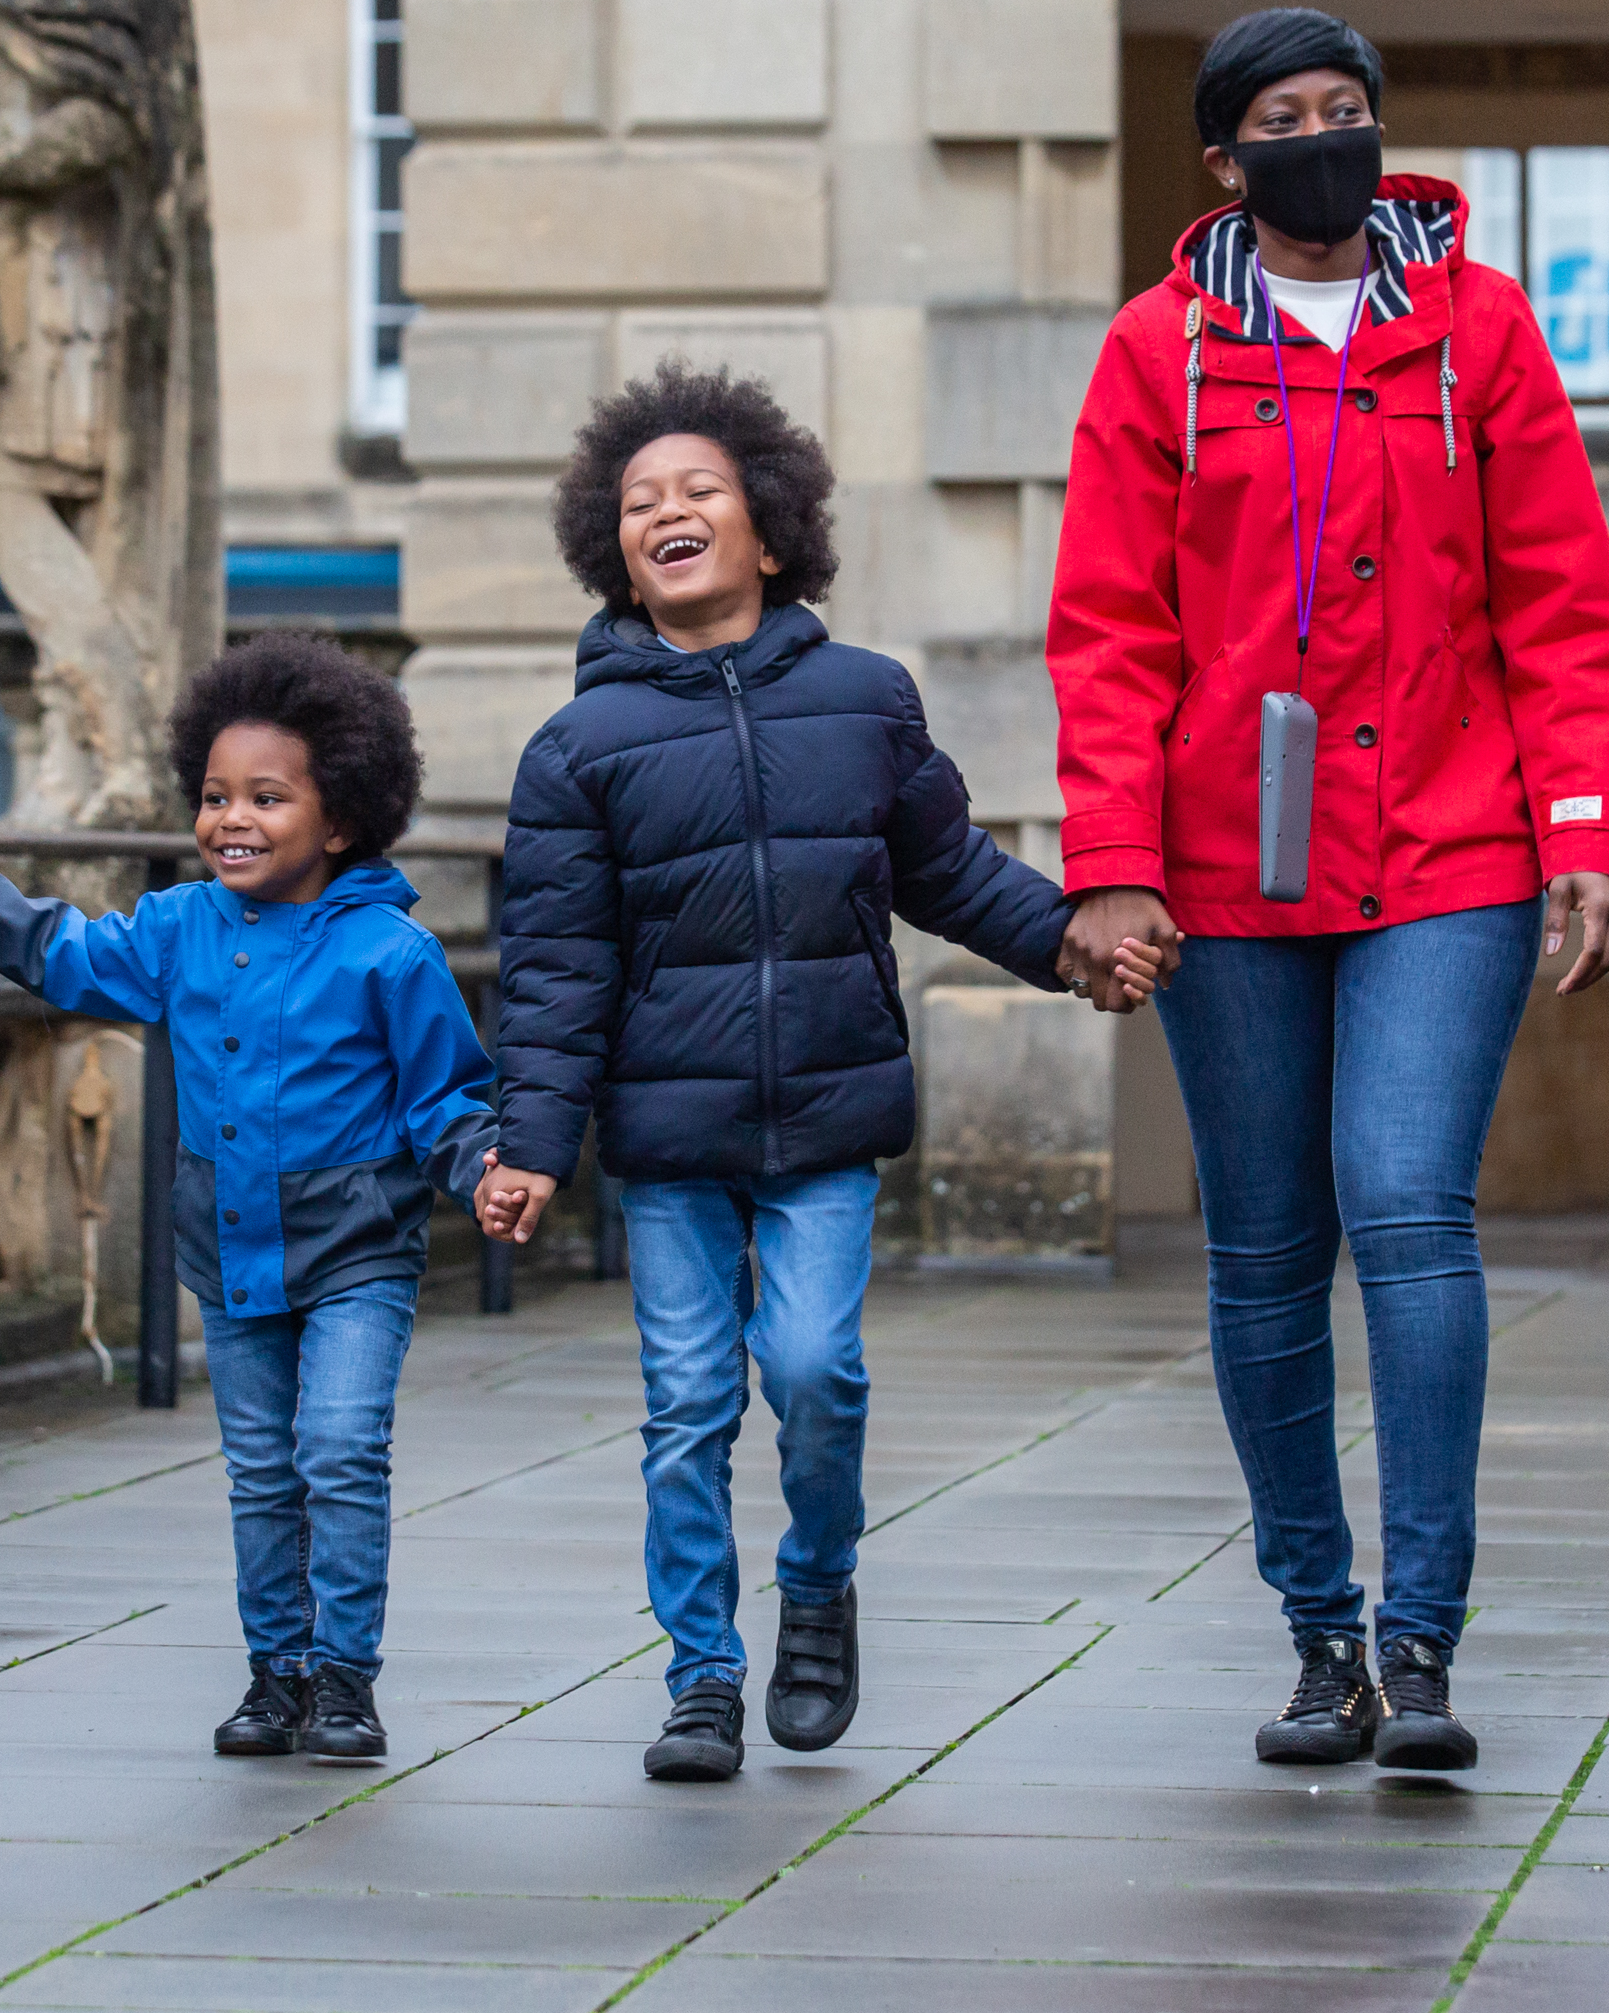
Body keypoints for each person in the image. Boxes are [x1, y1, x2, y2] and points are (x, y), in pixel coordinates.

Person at [1047, 7, 1609, 1773]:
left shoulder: (1482, 329)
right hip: (1227, 862)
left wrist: (1589, 829)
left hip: (1447, 839)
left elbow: (1563, 603)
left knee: (1404, 1203)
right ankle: (1320, 1632)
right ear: (1226, 160)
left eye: (1350, 109)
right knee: (1262, 1250)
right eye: (1285, 118)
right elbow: (1109, 635)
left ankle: (1425, 1637)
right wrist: (1110, 868)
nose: (1328, 136)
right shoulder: (1157, 355)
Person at [476, 364, 1161, 1783]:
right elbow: (553, 969)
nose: (665, 509)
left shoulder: (865, 699)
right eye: (637, 501)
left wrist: (1074, 944)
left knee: (814, 1369)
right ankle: (702, 1675)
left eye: (698, 490)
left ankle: (820, 1575)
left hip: (828, 1119)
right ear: (614, 551)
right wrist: (531, 1137)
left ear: (771, 530)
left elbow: (948, 869)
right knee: (685, 1404)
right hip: (667, 1133)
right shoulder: (577, 748)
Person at [0, 636, 496, 1766]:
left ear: (340, 820)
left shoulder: (393, 951)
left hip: (358, 1253)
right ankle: (274, 1674)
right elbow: (68, 957)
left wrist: (484, 1171)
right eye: (215, 795)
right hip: (230, 1248)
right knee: (261, 1468)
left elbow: (447, 1098)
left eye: (267, 798)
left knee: (336, 1447)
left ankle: (345, 1678)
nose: (230, 818)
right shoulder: (179, 927)